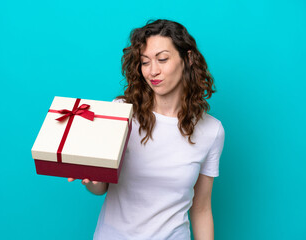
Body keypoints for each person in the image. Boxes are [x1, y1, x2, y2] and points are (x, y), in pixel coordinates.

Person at [69, 19, 225, 240]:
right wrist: (90, 178)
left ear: (187, 59)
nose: (153, 71)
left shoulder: (212, 131)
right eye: (145, 62)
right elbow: (101, 188)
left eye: (162, 59)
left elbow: (201, 209)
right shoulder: (121, 112)